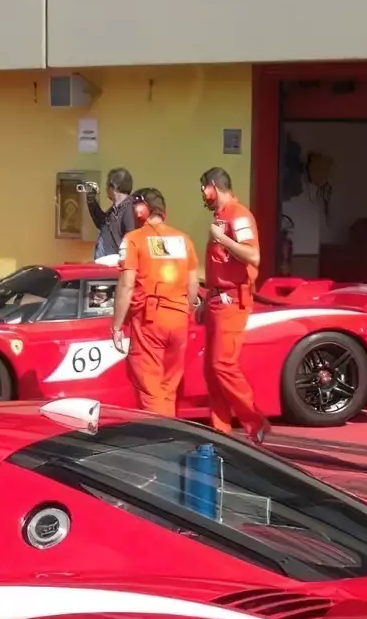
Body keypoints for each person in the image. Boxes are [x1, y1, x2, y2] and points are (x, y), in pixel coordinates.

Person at [198, 167, 269, 445]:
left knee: (222, 365)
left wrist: (222, 238)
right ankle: (220, 430)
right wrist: (207, 299)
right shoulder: (221, 217)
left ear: (214, 186)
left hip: (232, 300)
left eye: (204, 188)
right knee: (211, 369)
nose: (203, 194)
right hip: (217, 299)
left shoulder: (238, 215)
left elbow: (253, 256)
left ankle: (255, 421)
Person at [109, 188, 195, 417]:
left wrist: (117, 325)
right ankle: (170, 431)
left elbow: (126, 285)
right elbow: (193, 288)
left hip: (149, 322)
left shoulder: (134, 239)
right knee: (168, 388)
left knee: (150, 389)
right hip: (179, 318)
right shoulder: (184, 240)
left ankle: (159, 435)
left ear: (141, 210)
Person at [84, 168, 138, 264]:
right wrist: (91, 201)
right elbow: (102, 224)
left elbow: (131, 239)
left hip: (116, 265)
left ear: (114, 186)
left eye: (107, 186)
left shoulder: (129, 208)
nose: (106, 190)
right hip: (107, 264)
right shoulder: (117, 208)